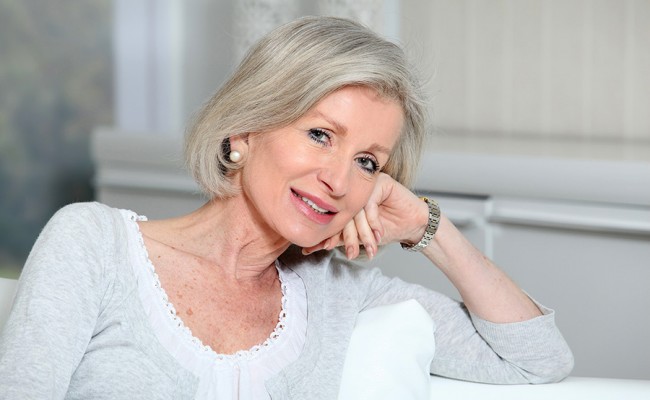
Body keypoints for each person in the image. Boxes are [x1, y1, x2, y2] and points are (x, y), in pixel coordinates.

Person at [0, 16, 573, 399]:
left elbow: (536, 359)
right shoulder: (93, 246)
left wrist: (428, 226)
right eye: (321, 135)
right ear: (244, 130)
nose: (337, 179)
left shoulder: (339, 293)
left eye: (368, 162)